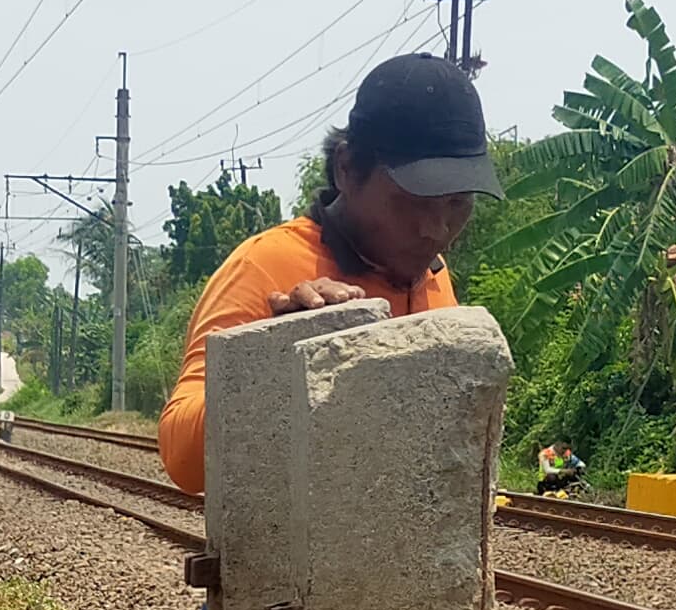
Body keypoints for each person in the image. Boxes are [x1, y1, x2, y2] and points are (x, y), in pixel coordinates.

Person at [155, 53, 495, 494]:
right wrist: (272, 358)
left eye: (457, 204)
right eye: (413, 201)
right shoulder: (264, 265)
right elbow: (181, 460)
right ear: (348, 168)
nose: (436, 230)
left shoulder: (433, 274)